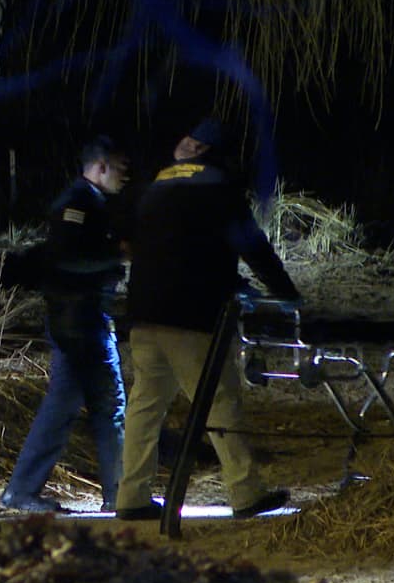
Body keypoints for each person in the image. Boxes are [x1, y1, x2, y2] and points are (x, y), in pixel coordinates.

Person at [115, 118, 300, 521]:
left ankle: (131, 497)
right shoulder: (220, 191)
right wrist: (288, 296)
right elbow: (255, 249)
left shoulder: (150, 189)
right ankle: (246, 492)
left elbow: (128, 243)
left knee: (145, 406)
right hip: (193, 318)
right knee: (218, 399)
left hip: (143, 314)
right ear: (212, 154)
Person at [0, 136, 130, 513]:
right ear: (101, 166)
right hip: (77, 320)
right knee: (87, 406)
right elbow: (65, 260)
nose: (126, 176)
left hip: (83, 318)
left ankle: (118, 493)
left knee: (98, 405)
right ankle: (27, 491)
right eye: (121, 168)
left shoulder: (89, 203)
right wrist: (113, 260)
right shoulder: (78, 204)